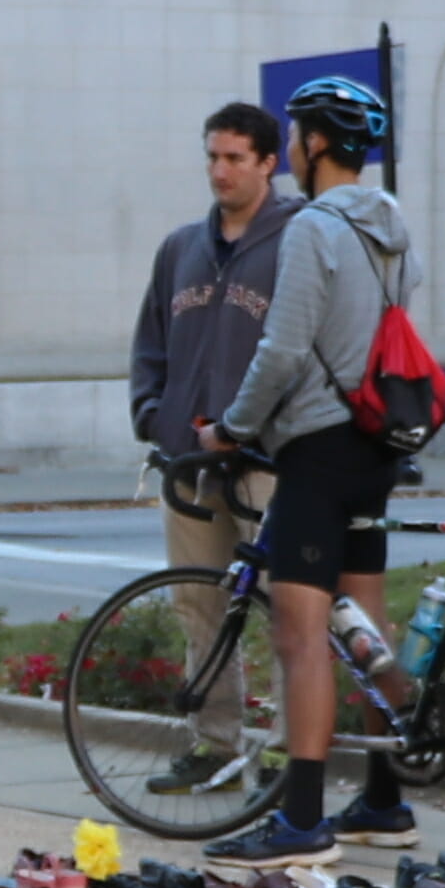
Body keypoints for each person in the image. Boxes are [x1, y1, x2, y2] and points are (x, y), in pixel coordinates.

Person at [205, 73, 420, 858]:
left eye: (296, 136)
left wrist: (233, 427)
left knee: (302, 638)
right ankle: (385, 801)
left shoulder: (312, 228)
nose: (292, 148)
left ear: (317, 143)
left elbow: (284, 348)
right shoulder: (392, 222)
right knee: (365, 623)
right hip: (376, 443)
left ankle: (301, 822)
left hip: (319, 446)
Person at [127, 102, 292, 575]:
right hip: (188, 461)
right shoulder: (181, 248)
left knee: (276, 600)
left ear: (267, 163)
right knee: (195, 604)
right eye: (213, 157)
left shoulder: (297, 240)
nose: (220, 172)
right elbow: (150, 341)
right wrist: (154, 415)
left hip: (264, 463)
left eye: (235, 159)